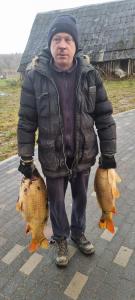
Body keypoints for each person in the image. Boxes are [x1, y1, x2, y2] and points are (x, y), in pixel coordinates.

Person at [17, 15, 116, 267]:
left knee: (81, 199)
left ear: (75, 45)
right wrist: (25, 157)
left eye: (68, 39)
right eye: (57, 39)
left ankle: (77, 233)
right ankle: (60, 238)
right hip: (52, 157)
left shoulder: (90, 75)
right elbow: (27, 121)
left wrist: (109, 154)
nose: (62, 44)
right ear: (50, 45)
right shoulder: (35, 76)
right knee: (58, 203)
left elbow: (104, 117)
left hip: (83, 154)